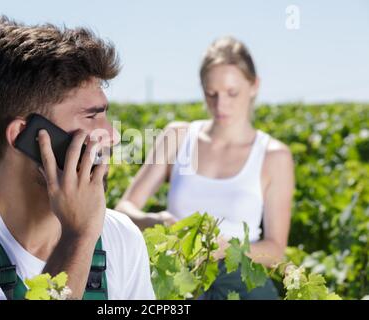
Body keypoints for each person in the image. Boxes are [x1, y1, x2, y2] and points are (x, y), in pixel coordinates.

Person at [0, 17, 155, 300]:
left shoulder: (120, 237)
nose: (112, 136)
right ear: (26, 135)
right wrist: (79, 238)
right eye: (92, 115)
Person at [115, 36, 295, 299]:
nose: (221, 105)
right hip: (176, 280)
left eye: (232, 93)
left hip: (241, 284)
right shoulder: (178, 137)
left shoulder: (273, 156)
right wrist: (157, 221)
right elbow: (124, 209)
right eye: (211, 93)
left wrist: (227, 249)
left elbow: (275, 249)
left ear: (254, 86)